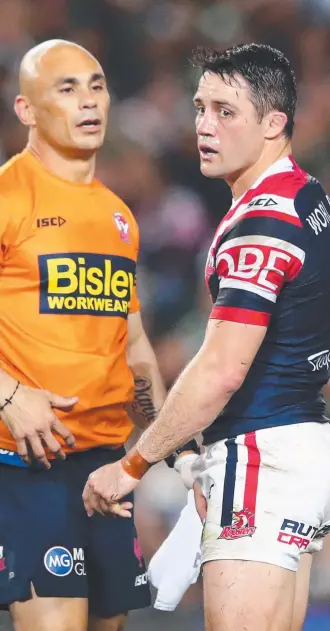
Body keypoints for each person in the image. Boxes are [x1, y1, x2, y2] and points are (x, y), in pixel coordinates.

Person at [83, 43, 330, 631]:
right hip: (293, 446)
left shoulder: (263, 220)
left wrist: (133, 465)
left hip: (261, 456)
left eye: (225, 111)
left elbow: (222, 369)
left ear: (275, 123)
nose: (203, 126)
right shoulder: (307, 195)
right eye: (199, 107)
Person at [0, 38, 168, 631]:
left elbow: (135, 341)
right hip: (24, 465)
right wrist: (8, 394)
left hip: (105, 466)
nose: (89, 101)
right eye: (66, 89)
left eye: (96, 85)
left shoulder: (118, 215)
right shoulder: (6, 196)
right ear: (27, 110)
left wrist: (168, 444)